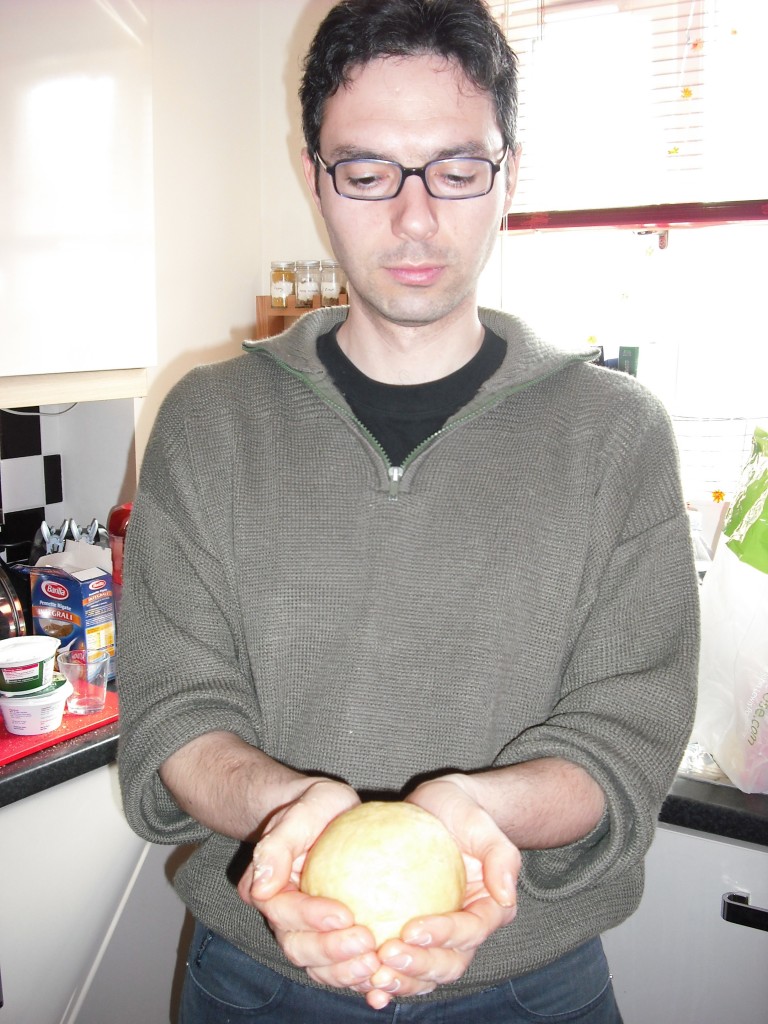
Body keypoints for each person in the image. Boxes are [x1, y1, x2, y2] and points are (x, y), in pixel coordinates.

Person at [116, 1, 700, 1021]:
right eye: (368, 169)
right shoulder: (209, 423)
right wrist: (292, 813)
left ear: (511, 172)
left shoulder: (617, 435)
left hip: (528, 985)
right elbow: (177, 711)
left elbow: (627, 734)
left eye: (456, 167)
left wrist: (475, 813)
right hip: (256, 977)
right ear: (314, 177)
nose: (416, 216)